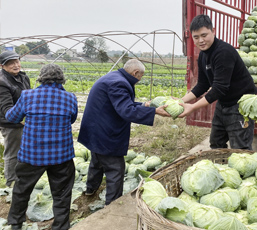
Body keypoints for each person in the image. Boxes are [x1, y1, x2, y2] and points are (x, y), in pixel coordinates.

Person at [78, 59, 170, 205]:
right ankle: (112, 206)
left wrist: (144, 105)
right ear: (136, 73)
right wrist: (154, 111)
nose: (140, 80)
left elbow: (121, 104)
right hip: (105, 132)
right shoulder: (119, 83)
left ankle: (90, 189)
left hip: (96, 129)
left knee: (97, 160)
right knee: (115, 169)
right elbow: (126, 111)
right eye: (141, 76)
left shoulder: (114, 77)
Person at [6, 64, 78, 230]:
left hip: (32, 155)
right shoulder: (70, 98)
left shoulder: (27, 96)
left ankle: (16, 224)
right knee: (61, 194)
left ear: (41, 78)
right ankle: (60, 226)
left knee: (22, 190)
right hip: (62, 156)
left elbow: (12, 117)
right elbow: (72, 119)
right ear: (62, 79)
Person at [178, 14, 257, 150]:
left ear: (213, 31)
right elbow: (203, 85)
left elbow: (220, 88)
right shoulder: (203, 55)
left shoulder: (223, 52)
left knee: (240, 149)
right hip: (224, 103)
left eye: (204, 35)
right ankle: (222, 169)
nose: (200, 40)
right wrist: (182, 101)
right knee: (216, 143)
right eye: (196, 37)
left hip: (241, 104)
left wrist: (193, 107)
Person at [0, 51, 30, 188]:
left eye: (17, 61)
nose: (16, 65)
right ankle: (11, 184)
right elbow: (7, 109)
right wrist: (19, 119)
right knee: (12, 153)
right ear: (2, 66)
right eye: (10, 63)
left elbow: (29, 99)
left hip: (24, 120)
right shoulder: (2, 82)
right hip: (10, 124)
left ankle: (22, 179)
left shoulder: (23, 77)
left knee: (24, 150)